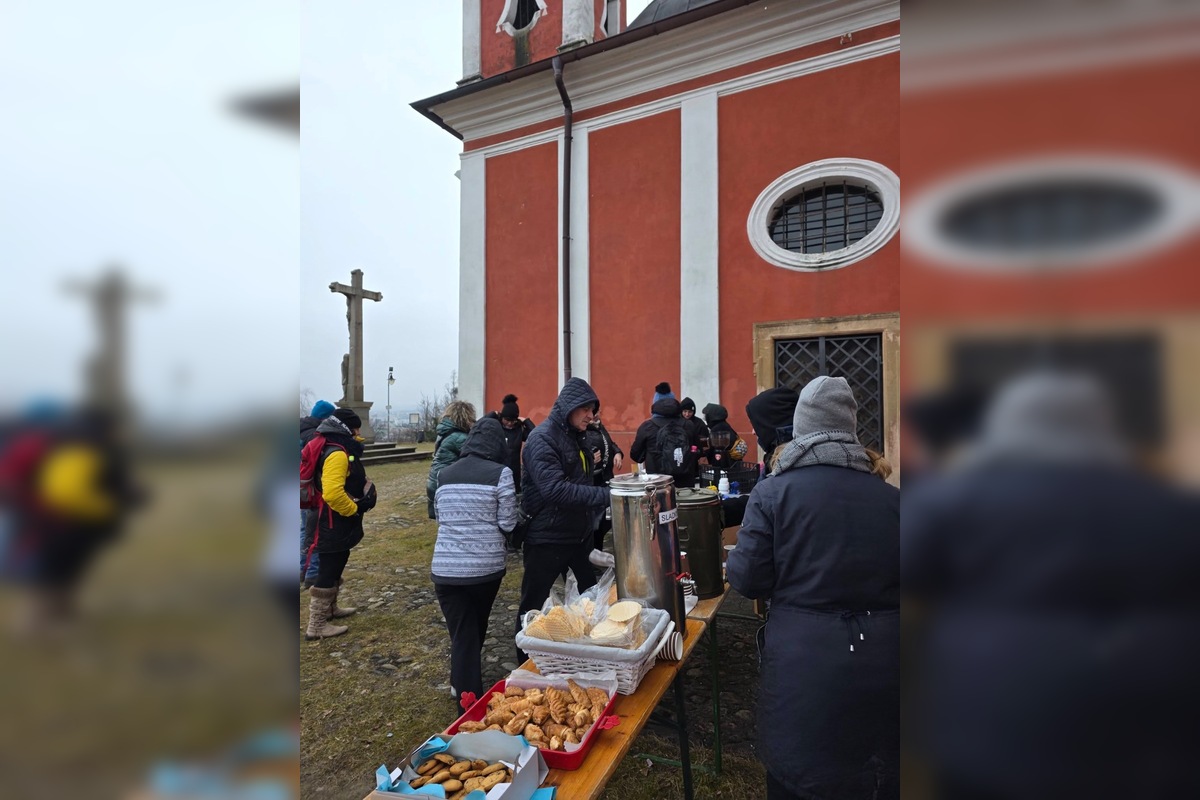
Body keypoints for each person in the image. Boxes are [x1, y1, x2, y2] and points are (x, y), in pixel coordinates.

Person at [726, 376, 900, 799]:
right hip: (890, 666)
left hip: (804, 671)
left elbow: (748, 579)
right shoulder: (895, 499)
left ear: (801, 428)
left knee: (803, 778)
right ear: (850, 429)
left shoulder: (772, 493)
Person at [516, 378, 611, 661]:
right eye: (586, 410)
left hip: (576, 536)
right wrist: (606, 496)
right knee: (532, 607)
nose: (591, 416)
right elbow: (555, 490)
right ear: (570, 407)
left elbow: (578, 479)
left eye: (593, 410)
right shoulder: (542, 438)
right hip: (546, 538)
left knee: (591, 599)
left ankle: (587, 653)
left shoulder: (575, 436)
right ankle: (525, 664)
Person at [432, 418, 518, 706]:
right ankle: (468, 706)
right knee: (471, 629)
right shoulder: (501, 473)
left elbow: (440, 517)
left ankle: (460, 683)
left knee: (463, 629)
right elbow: (507, 523)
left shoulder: (444, 474)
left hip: (445, 569)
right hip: (485, 569)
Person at [305, 407, 377, 640]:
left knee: (337, 562)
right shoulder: (337, 452)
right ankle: (316, 626)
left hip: (336, 519)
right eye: (356, 428)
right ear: (349, 428)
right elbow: (333, 493)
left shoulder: (340, 447)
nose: (359, 432)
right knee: (328, 567)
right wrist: (353, 509)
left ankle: (330, 609)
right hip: (331, 520)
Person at [300, 399, 336, 588]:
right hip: (312, 490)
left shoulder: (299, 429)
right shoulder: (315, 437)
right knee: (314, 532)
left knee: (304, 529)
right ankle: (312, 573)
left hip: (299, 488)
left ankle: (302, 569)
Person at [629, 392, 699, 487]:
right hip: (685, 481)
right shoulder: (689, 425)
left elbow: (635, 455)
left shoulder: (647, 426)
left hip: (657, 483)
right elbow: (697, 450)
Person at [581, 402, 623, 552]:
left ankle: (596, 552)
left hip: (605, 479)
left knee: (604, 522)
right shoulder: (584, 430)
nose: (595, 415)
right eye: (593, 413)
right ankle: (591, 555)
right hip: (593, 482)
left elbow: (610, 443)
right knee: (594, 524)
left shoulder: (599, 427)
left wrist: (617, 452)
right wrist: (590, 459)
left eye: (597, 412)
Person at [426, 400, 477, 519]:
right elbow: (475, 456)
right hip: (444, 485)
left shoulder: (446, 432)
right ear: (465, 417)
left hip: (436, 481)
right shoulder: (459, 437)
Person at [484, 394, 535, 492]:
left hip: (514, 474)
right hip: (496, 472)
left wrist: (526, 421)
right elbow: (480, 425)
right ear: (502, 417)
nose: (510, 423)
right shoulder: (495, 427)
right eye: (507, 420)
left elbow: (534, 436)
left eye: (513, 421)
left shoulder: (519, 430)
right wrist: (492, 414)